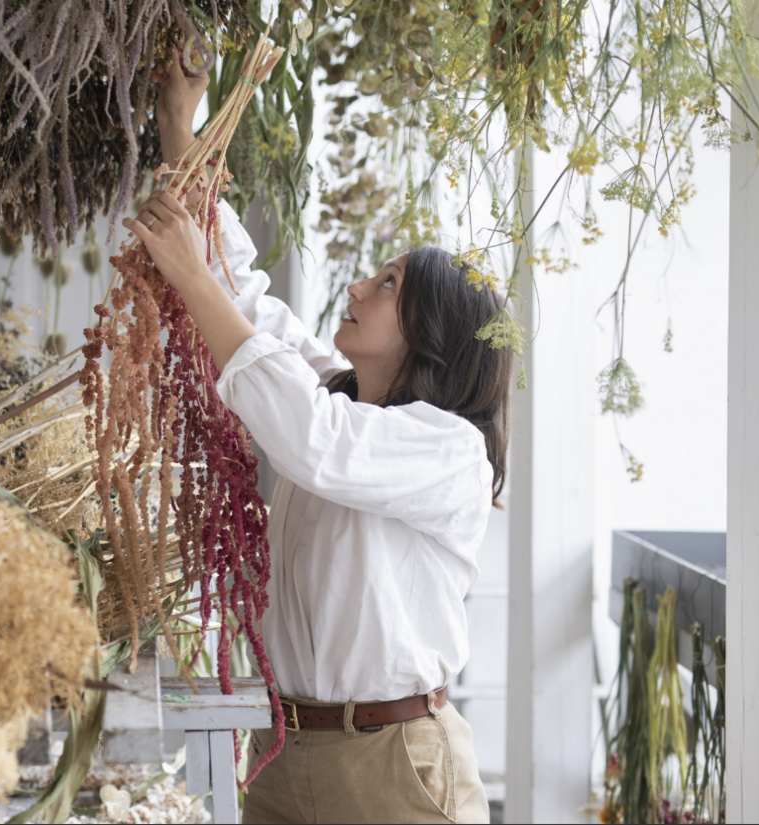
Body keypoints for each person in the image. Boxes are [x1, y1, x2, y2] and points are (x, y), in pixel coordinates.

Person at [122, 48, 514, 825]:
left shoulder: (447, 449)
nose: (360, 284)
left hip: (392, 761)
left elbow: (311, 437)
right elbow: (248, 307)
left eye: (391, 283)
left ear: (433, 336)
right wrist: (180, 128)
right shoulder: (339, 395)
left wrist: (193, 282)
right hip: (282, 745)